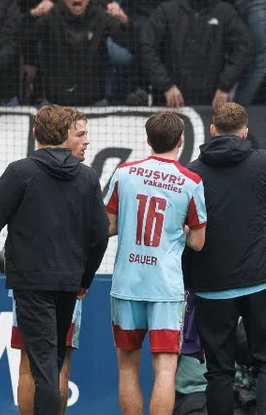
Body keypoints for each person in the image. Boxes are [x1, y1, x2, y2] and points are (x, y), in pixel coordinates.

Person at [0, 106, 110, 415]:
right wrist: (85, 278)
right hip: (69, 284)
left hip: (31, 284)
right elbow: (101, 234)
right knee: (52, 365)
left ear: (34, 133)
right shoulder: (87, 176)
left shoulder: (20, 172)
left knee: (42, 368)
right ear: (66, 134)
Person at [185, 102, 266, 415]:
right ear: (244, 132)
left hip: (211, 283)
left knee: (218, 370)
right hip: (262, 278)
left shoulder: (193, 171)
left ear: (212, 130)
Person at [107, 111, 208, 415]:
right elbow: (198, 243)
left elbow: (108, 226)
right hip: (166, 287)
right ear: (180, 141)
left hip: (127, 284)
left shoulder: (124, 173)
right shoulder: (191, 181)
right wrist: (182, 232)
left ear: (148, 140)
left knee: (127, 368)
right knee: (165, 370)